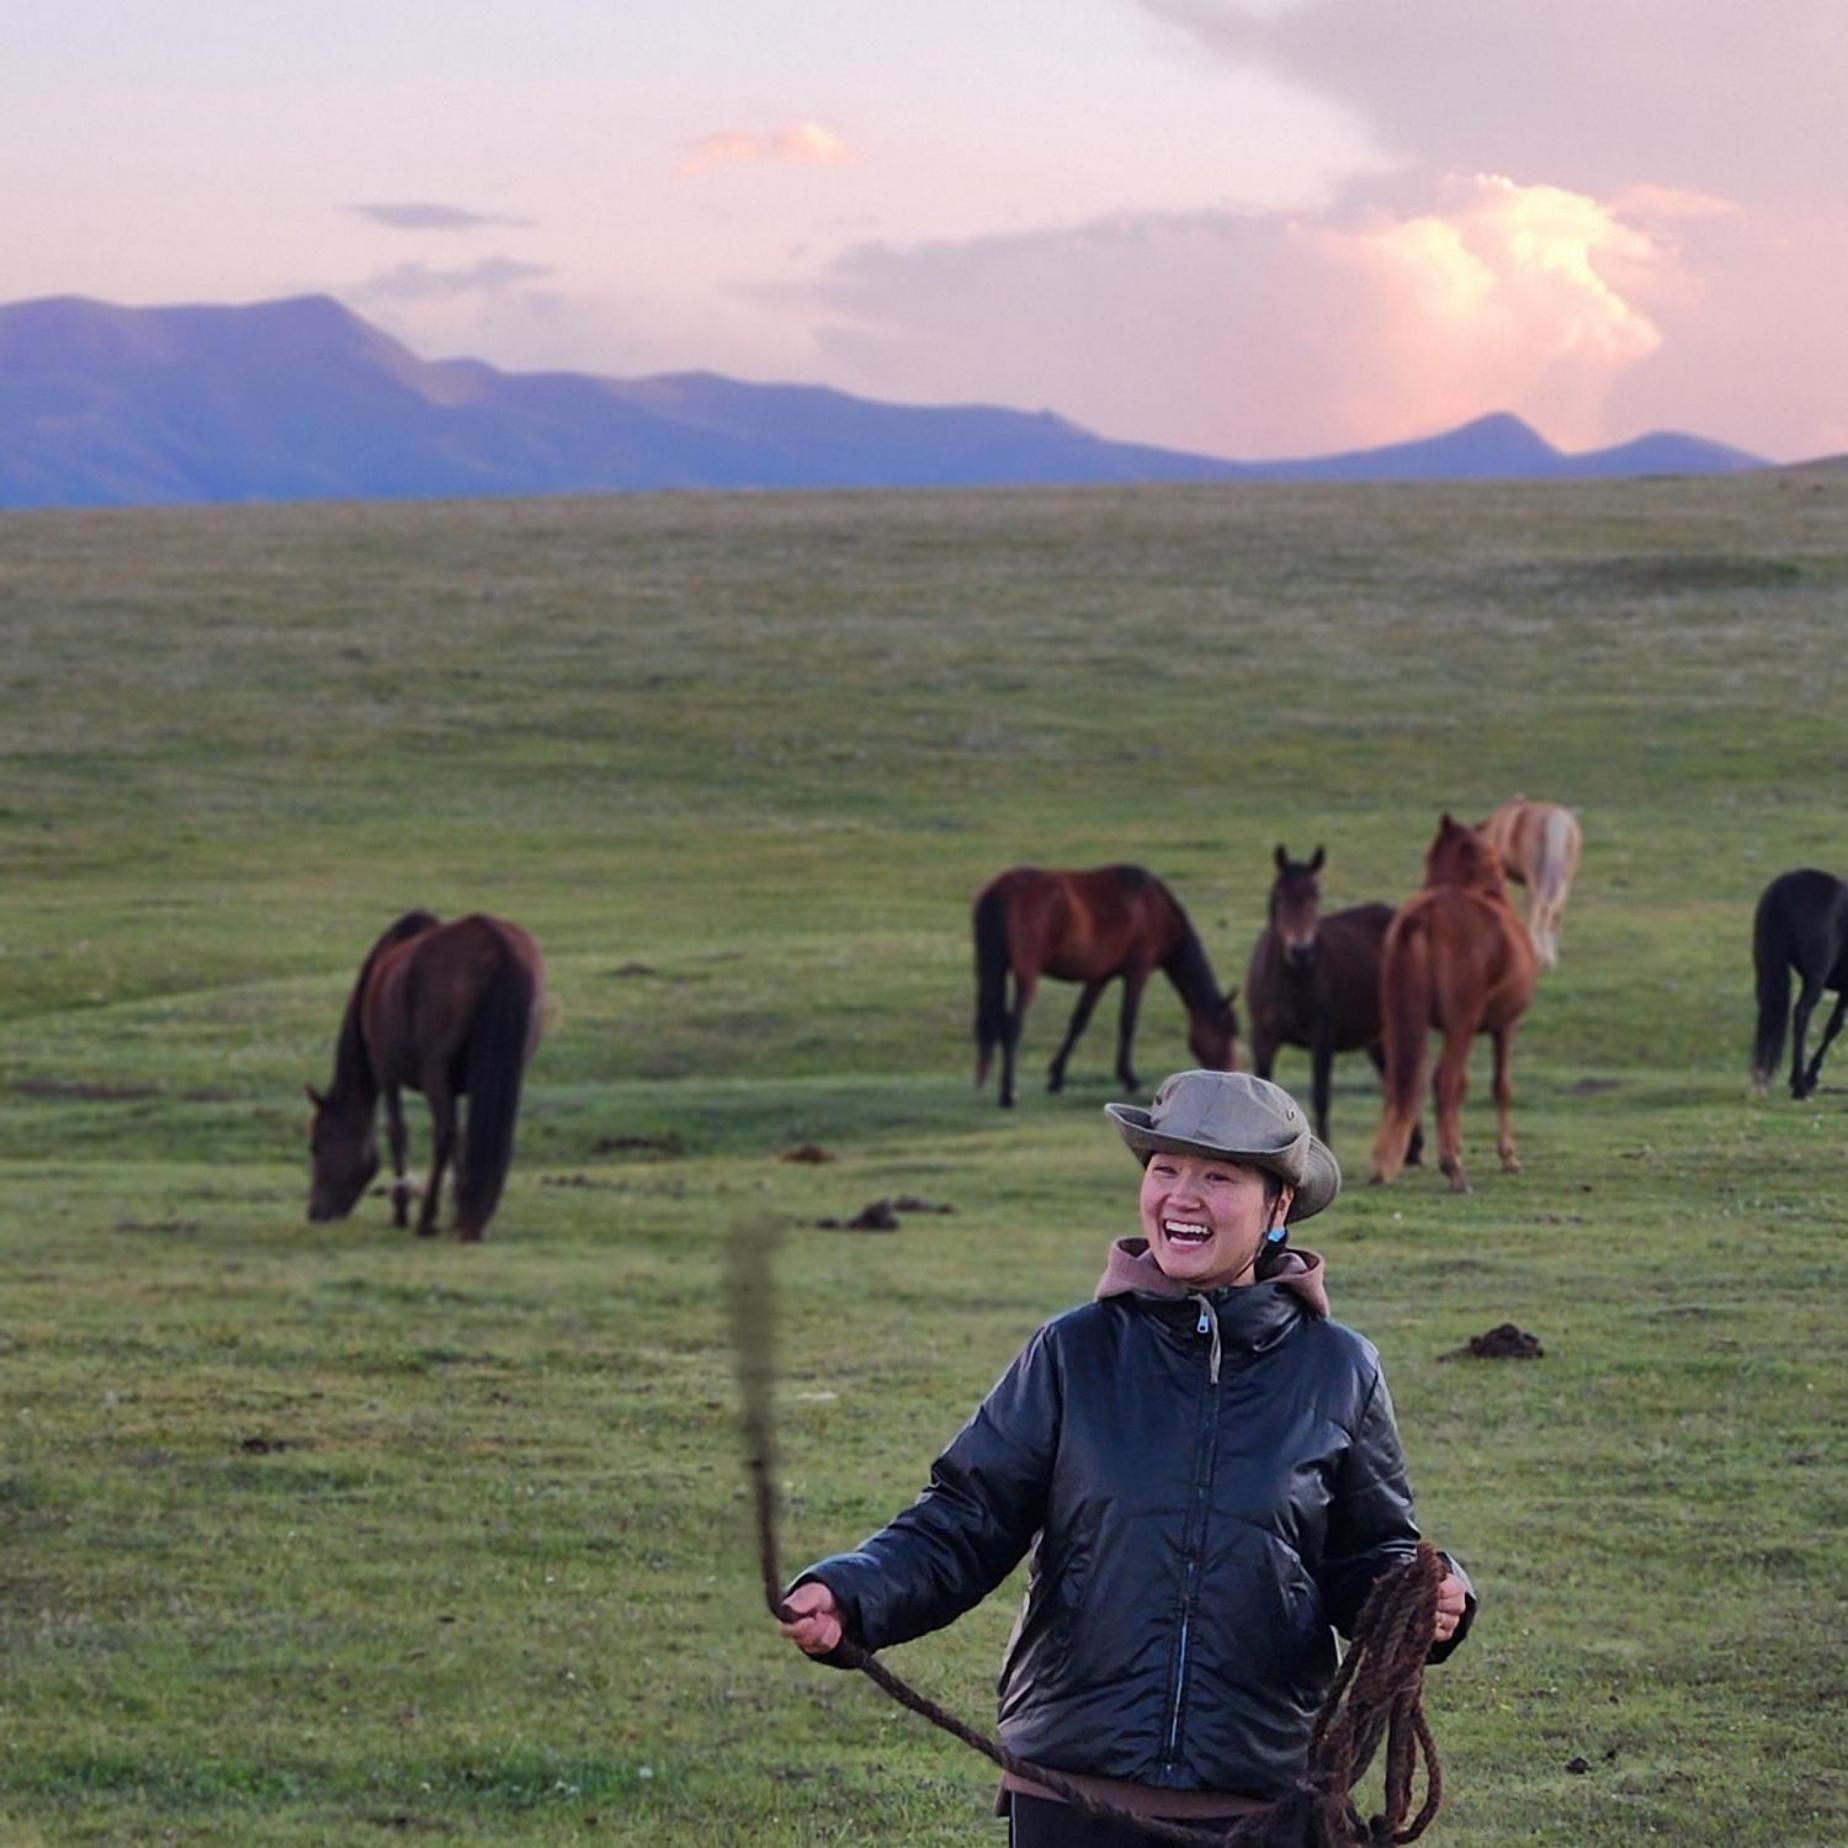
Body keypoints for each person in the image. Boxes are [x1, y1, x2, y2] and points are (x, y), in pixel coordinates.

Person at [778, 1070, 1475, 1844]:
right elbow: (964, 1520)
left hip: (1262, 1799)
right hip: (1072, 1793)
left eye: (1218, 1176)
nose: (1183, 1195)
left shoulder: (1339, 1369)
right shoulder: (1072, 1353)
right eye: (1165, 1169)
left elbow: (1371, 1554)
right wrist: (852, 1594)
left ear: (1278, 1207)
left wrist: (1431, 1601)